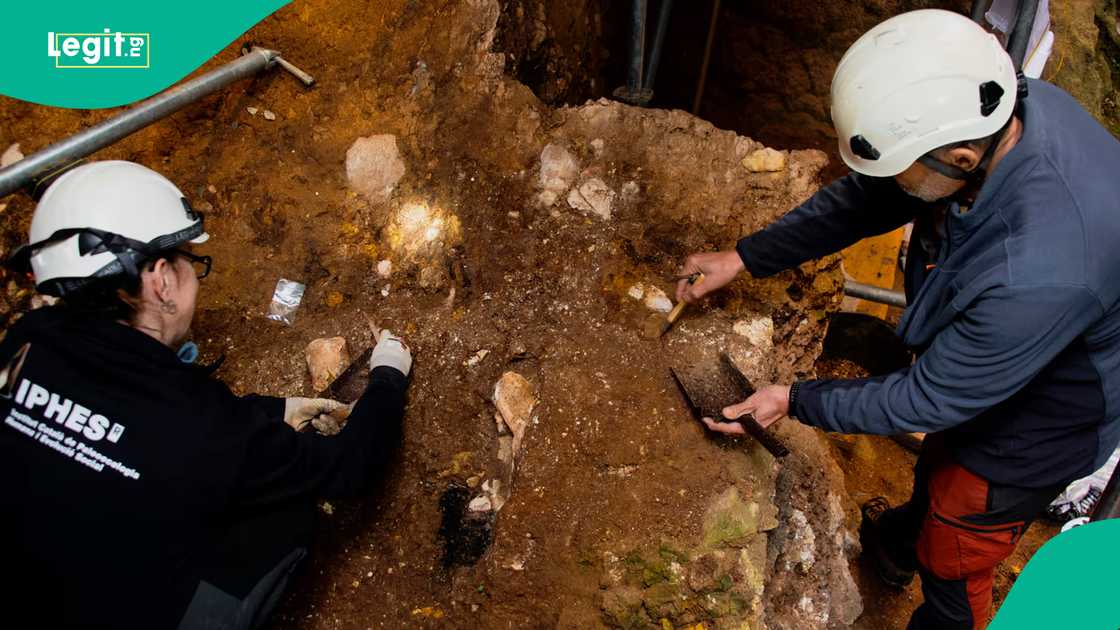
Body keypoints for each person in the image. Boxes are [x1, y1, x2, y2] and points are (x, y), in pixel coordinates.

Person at [676, 10, 1120, 630]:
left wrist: (793, 398)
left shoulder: (1041, 269)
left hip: (1047, 418)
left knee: (960, 537)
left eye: (900, 169)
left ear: (961, 158)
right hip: (1009, 347)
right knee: (941, 469)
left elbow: (930, 398)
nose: (888, 182)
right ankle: (897, 543)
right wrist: (744, 257)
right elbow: (869, 198)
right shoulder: (995, 111)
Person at [0, 161, 412, 629]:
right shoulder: (199, 425)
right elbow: (347, 468)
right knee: (287, 515)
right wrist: (387, 377)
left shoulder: (24, 343)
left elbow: (134, 422)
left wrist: (275, 410)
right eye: (190, 262)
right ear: (160, 280)